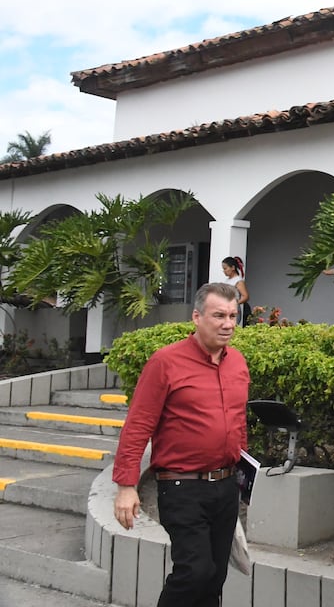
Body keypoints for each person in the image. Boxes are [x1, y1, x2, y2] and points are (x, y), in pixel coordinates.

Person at [112, 282, 250, 607]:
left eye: (232, 315)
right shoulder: (166, 362)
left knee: (214, 578)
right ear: (197, 317)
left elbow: (237, 423)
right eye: (219, 315)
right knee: (195, 572)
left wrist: (243, 478)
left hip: (226, 486)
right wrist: (126, 486)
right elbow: (138, 425)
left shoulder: (238, 363)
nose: (228, 323)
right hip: (182, 487)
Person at [220, 256, 251, 326]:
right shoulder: (227, 280)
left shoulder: (238, 281)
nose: (224, 271)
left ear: (233, 268)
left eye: (225, 268)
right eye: (223, 269)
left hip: (233, 310)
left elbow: (245, 296)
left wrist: (235, 303)